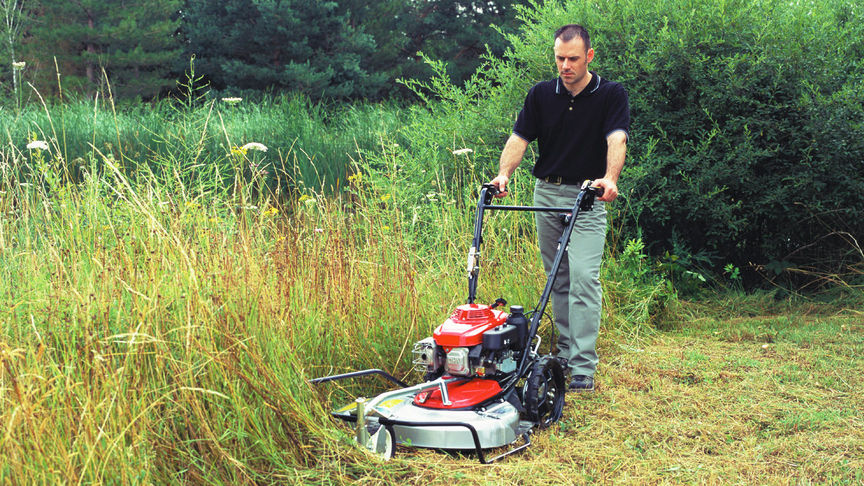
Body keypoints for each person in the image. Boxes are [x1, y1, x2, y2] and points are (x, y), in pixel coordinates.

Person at [489, 24, 629, 392]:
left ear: (589, 57)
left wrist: (610, 179)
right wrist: (503, 174)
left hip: (587, 197)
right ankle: (565, 354)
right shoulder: (540, 95)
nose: (565, 66)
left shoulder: (611, 94)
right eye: (559, 58)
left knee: (584, 277)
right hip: (546, 195)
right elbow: (519, 138)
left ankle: (583, 366)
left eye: (573, 59)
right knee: (559, 279)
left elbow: (617, 138)